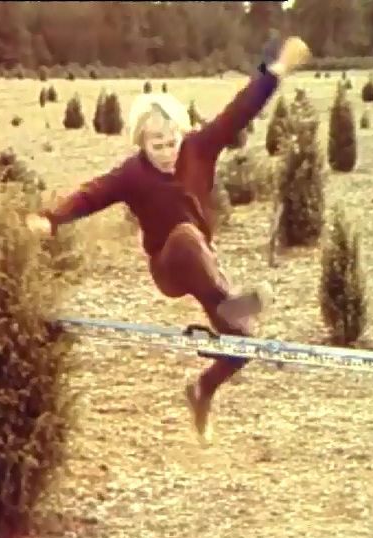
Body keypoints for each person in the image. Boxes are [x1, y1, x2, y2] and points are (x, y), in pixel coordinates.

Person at [27, 36, 311, 442]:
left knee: (244, 344)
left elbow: (239, 111)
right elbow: (93, 193)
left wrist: (275, 73)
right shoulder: (132, 173)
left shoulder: (200, 148)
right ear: (141, 143)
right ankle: (232, 303)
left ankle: (202, 390)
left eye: (172, 142)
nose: (166, 152)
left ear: (183, 133)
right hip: (168, 265)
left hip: (204, 264)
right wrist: (51, 218)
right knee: (186, 238)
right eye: (156, 145)